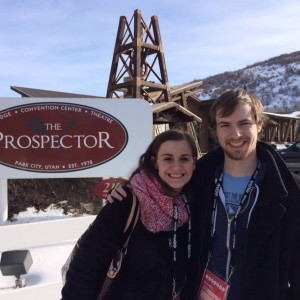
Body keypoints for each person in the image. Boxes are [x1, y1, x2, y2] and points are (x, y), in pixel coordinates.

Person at [109, 89, 300, 300]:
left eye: (244, 124)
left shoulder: (289, 191)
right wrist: (129, 189)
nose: (235, 134)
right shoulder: (197, 180)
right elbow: (155, 187)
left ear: (259, 126)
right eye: (225, 125)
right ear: (214, 130)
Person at [61, 130, 197, 300]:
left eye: (184, 158)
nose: (177, 167)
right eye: (168, 158)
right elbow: (85, 267)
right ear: (155, 162)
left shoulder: (192, 204)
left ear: (194, 163)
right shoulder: (126, 202)